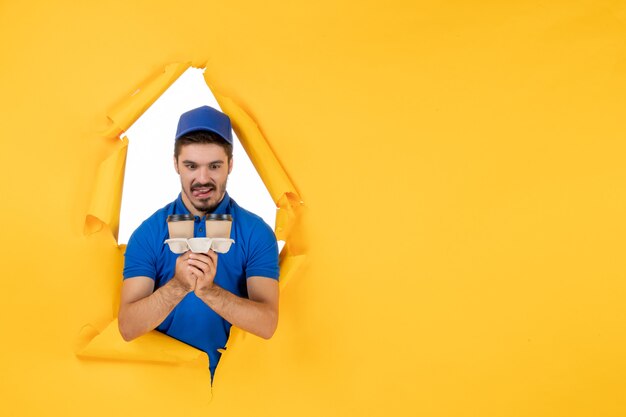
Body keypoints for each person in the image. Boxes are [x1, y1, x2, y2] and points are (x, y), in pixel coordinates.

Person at [118, 105, 280, 379]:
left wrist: (208, 291)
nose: (202, 179)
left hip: (236, 384)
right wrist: (179, 285)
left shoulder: (256, 233)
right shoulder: (148, 233)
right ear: (175, 164)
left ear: (230, 164)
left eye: (214, 166)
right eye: (191, 166)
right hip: (164, 384)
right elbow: (128, 327)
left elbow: (267, 324)